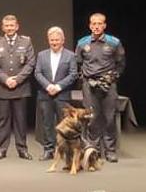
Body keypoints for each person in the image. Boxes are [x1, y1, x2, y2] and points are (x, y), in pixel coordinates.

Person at [76, 12, 126, 163]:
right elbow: (77, 63)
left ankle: (110, 151)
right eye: (93, 24)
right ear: (90, 25)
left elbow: (121, 63)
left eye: (99, 24)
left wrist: (112, 77)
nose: (96, 26)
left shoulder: (114, 42)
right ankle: (94, 150)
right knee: (92, 118)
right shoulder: (82, 43)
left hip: (108, 85)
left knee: (109, 118)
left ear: (104, 25)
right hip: (89, 85)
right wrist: (83, 79)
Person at [0, 14, 35, 160]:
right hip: (2, 88)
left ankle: (22, 149)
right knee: (3, 121)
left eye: (11, 26)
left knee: (21, 121)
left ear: (17, 26)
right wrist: (5, 79)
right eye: (6, 26)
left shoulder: (26, 42)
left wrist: (18, 79)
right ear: (3, 27)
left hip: (20, 88)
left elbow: (31, 63)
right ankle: (2, 149)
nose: (9, 28)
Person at [35, 26, 77, 161]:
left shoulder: (70, 55)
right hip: (45, 94)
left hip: (62, 95)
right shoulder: (42, 55)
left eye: (57, 40)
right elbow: (37, 72)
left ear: (63, 40)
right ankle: (49, 150)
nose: (54, 42)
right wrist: (48, 86)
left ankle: (65, 151)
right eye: (52, 40)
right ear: (48, 40)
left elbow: (73, 74)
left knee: (64, 123)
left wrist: (58, 86)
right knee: (47, 124)